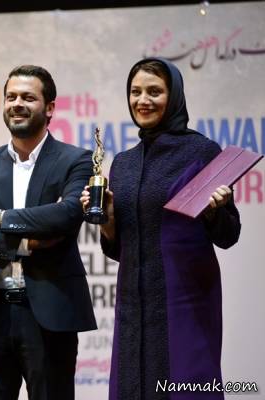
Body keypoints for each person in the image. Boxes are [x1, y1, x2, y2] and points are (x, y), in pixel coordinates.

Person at [81, 58, 241, 400]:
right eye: (135, 92)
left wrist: (216, 211)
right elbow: (118, 248)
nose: (143, 100)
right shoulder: (123, 163)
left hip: (186, 300)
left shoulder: (202, 152)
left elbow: (228, 235)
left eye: (154, 91)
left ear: (174, 96)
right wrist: (108, 220)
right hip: (133, 304)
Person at [0, 65, 97, 400]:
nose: (17, 104)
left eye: (28, 98)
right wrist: (24, 243)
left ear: (50, 108)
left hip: (49, 314)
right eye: (11, 97)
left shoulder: (76, 160)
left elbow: (66, 214)